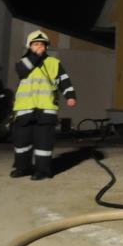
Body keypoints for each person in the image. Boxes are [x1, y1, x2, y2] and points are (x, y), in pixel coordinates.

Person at [10, 30, 77, 180]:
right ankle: (22, 168)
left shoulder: (54, 63)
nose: (39, 46)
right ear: (29, 46)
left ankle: (42, 171)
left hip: (46, 109)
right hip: (25, 108)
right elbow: (21, 71)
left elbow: (64, 80)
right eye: (35, 44)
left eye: (42, 44)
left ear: (46, 47)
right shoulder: (23, 61)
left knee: (44, 141)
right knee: (21, 141)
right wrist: (35, 56)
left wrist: (70, 96)